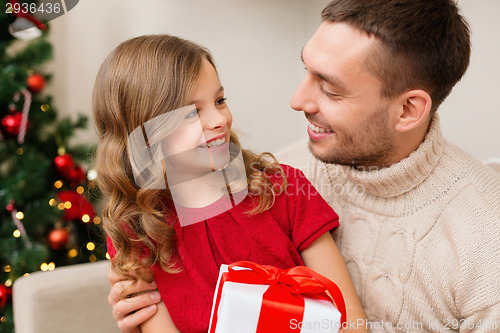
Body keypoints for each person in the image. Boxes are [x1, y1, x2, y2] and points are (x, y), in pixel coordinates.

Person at [108, 0, 500, 332]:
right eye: (306, 70)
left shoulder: (485, 239)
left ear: (408, 109)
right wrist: (139, 311)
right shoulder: (285, 168)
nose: (297, 100)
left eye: (330, 88)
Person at [94, 34, 367, 332]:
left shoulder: (281, 189)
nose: (220, 119)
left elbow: (350, 317)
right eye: (191, 113)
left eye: (220, 101)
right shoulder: (135, 230)